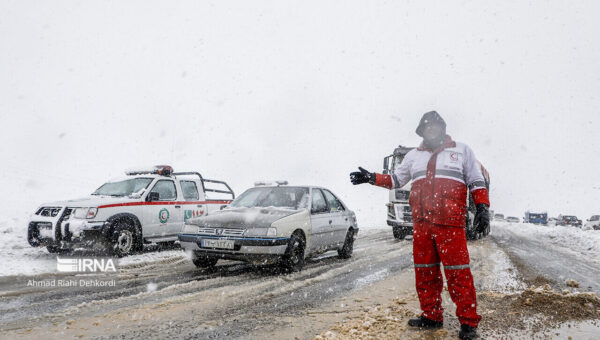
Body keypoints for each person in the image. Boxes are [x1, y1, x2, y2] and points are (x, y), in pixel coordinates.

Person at [350, 111, 490, 340]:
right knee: (425, 272)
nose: (431, 130)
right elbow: (396, 180)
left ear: (442, 128)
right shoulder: (413, 156)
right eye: (427, 127)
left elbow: (475, 180)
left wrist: (483, 207)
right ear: (421, 131)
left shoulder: (462, 150)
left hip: (450, 224)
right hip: (422, 225)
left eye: (435, 126)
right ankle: (431, 317)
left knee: (458, 274)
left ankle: (468, 323)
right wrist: (371, 178)